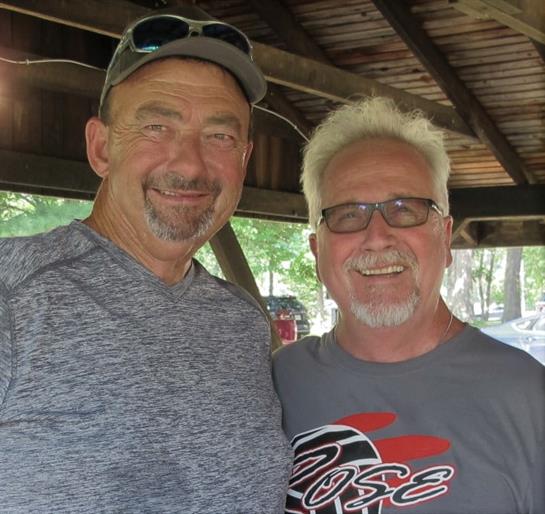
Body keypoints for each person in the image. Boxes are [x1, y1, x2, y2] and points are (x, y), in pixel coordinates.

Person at [0, 5, 292, 512]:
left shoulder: (241, 323)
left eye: (220, 136)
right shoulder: (13, 295)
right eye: (157, 126)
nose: (190, 163)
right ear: (101, 148)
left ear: (243, 159)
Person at [273, 97, 544, 514]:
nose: (378, 236)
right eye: (348, 214)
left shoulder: (528, 397)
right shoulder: (273, 385)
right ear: (317, 249)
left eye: (406, 209)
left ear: (446, 237)